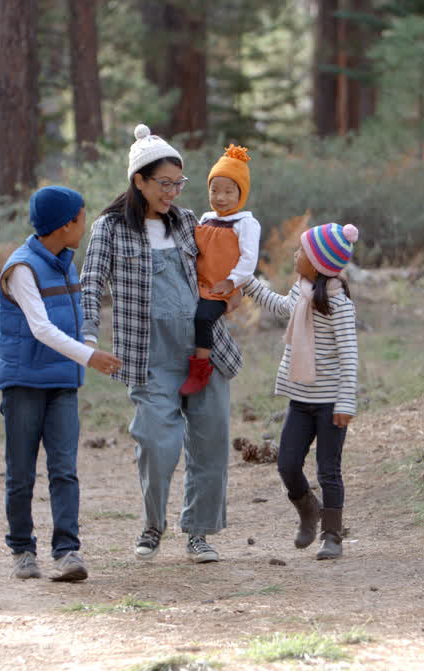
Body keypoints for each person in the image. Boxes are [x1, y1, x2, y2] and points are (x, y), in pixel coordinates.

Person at [80, 124, 243, 563]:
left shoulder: (190, 222)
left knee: (210, 443)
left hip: (203, 351)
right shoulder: (109, 228)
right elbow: (91, 282)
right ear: (139, 181)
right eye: (164, 184)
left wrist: (238, 293)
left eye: (178, 183)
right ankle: (154, 523)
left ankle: (199, 532)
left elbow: (223, 270)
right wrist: (89, 337)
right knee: (157, 442)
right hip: (149, 357)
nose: (173, 192)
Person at [0, 186, 123, 582]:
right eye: (82, 218)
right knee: (21, 472)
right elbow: (41, 329)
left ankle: (67, 552)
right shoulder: (21, 269)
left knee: (64, 469)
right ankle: (22, 550)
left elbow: (79, 314)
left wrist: (89, 343)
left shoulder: (65, 261)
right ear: (65, 224)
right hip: (24, 383)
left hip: (63, 382)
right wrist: (90, 357)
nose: (84, 226)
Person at [242, 223, 359, 560]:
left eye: (301, 251)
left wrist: (346, 400)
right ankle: (309, 508)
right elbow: (280, 306)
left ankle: (332, 535)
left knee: (328, 469)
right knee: (287, 464)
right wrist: (248, 282)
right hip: (300, 398)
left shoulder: (339, 304)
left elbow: (349, 354)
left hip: (329, 403)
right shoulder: (302, 290)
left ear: (319, 262)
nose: (296, 255)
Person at [180, 144, 260, 396]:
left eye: (228, 191)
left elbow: (249, 259)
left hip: (221, 287)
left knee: (203, 318)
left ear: (241, 194)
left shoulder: (245, 223)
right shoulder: (204, 218)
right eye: (215, 190)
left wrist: (232, 282)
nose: (220, 197)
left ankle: (200, 369)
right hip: (199, 281)